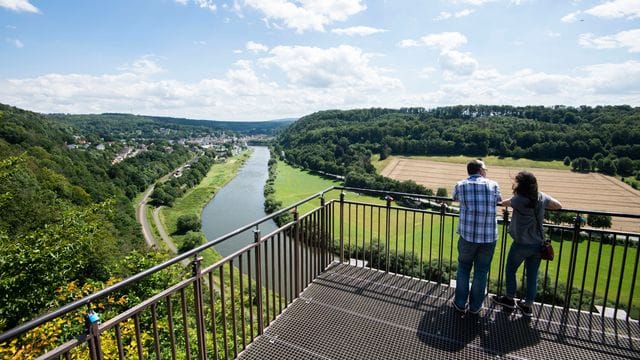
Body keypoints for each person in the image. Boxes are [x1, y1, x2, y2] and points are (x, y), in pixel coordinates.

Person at [492, 171, 562, 317]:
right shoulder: (541, 197)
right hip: (537, 244)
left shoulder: (518, 200)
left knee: (511, 270)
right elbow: (558, 205)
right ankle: (528, 306)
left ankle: (509, 299)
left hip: (521, 244)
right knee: (532, 275)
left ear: (520, 185)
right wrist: (542, 206)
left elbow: (505, 203)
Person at [452, 159, 502, 315]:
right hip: (488, 238)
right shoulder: (493, 185)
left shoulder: (460, 185)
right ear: (480, 170)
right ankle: (475, 307)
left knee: (463, 268)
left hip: (467, 237)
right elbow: (499, 200)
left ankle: (460, 303)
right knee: (481, 271)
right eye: (485, 169)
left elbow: (454, 198)